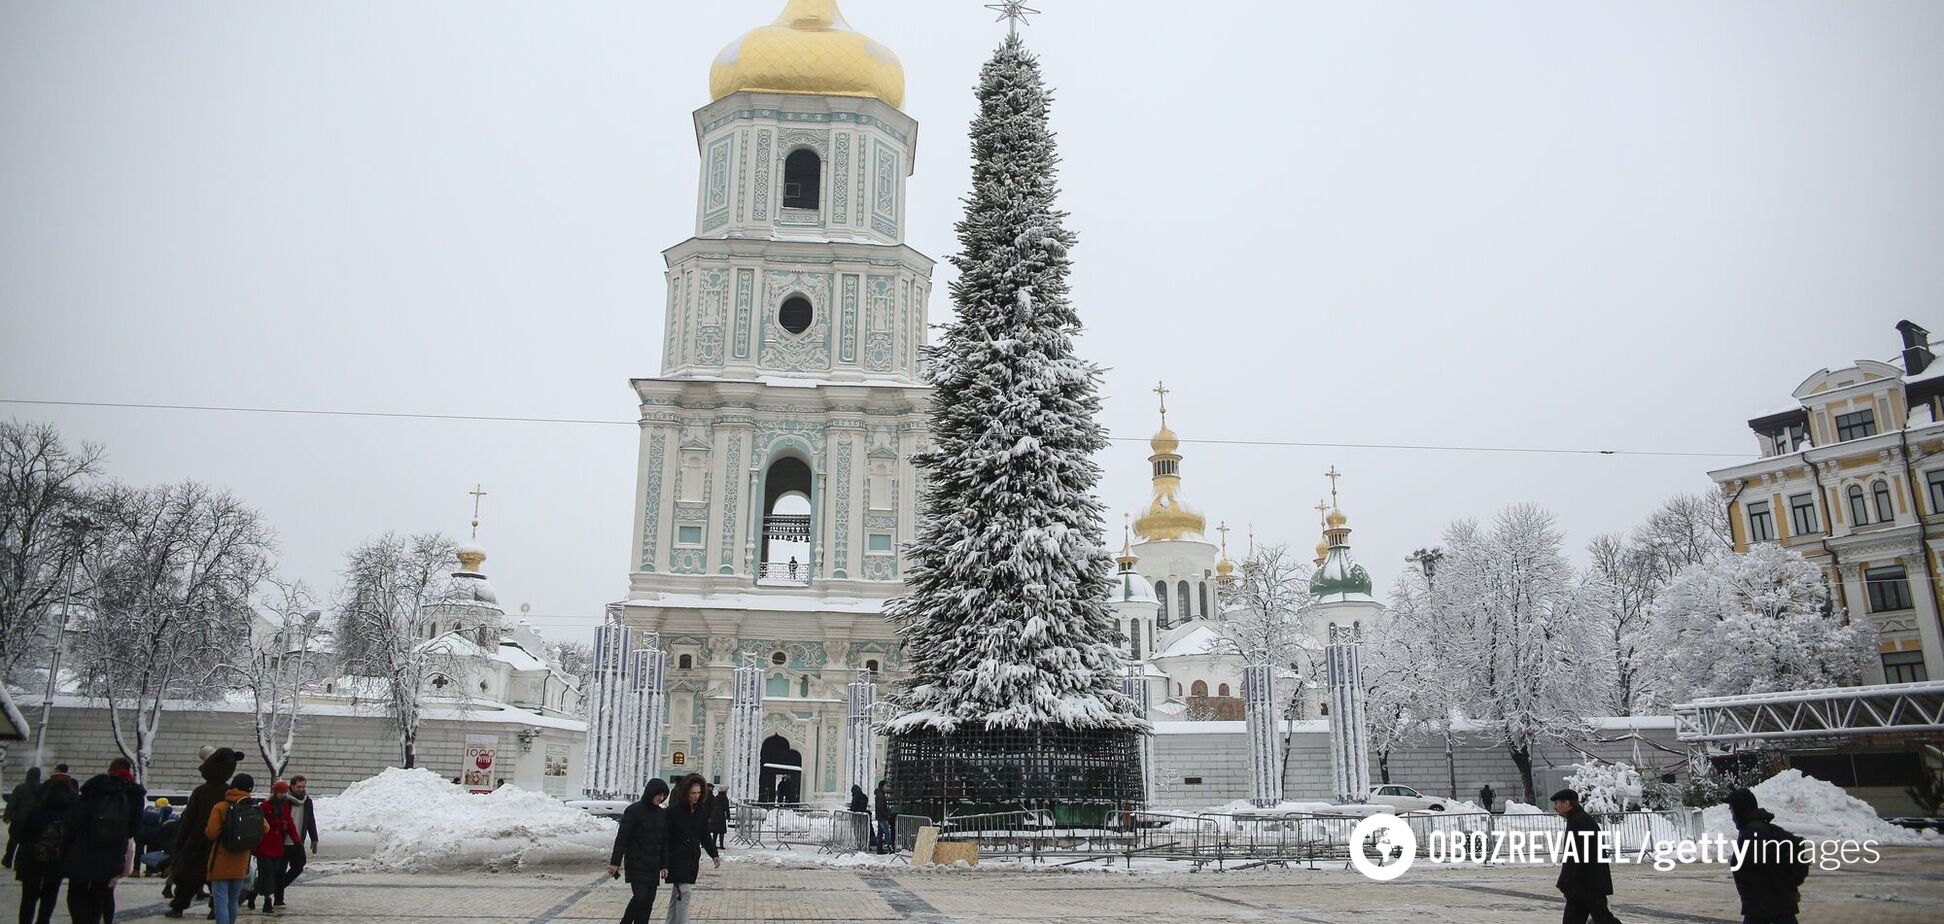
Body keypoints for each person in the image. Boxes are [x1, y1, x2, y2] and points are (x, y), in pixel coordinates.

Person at [62, 756, 147, 924]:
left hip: (84, 846)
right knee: (100, 892)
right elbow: (134, 829)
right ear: (129, 771)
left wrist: (66, 846)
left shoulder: (95, 787)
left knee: (77, 889)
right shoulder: (135, 794)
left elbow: (77, 819)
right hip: (113, 849)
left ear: (110, 770)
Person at [165, 747, 242, 919]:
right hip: (220, 842)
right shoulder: (229, 793)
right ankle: (216, 907)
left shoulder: (201, 791)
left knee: (188, 877)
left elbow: (188, 820)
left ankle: (179, 906)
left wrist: (179, 842)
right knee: (218, 880)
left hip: (196, 840)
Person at [1726, 788, 1809, 924]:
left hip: (1765, 909)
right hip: (1775, 907)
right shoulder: (1765, 828)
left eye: (1732, 810)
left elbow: (1759, 872)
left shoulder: (1752, 834)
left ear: (1741, 809)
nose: (1732, 814)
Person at [13, 768, 77, 924]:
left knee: (28, 897)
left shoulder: (38, 810)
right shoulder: (72, 813)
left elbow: (22, 835)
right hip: (57, 861)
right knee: (50, 895)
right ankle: (43, 921)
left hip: (33, 860)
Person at [1552, 788, 1621, 924]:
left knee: (1603, 919)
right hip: (1585, 885)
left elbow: (1577, 856)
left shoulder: (1579, 822)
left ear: (1567, 803)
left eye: (1557, 803)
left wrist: (1567, 882)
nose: (1555, 807)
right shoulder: (1579, 819)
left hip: (1587, 885)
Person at [606, 778, 670, 924]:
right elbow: (622, 838)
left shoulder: (662, 814)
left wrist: (664, 865)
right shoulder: (633, 811)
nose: (661, 798)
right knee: (640, 896)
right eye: (658, 794)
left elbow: (664, 841)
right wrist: (615, 863)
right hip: (637, 863)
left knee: (648, 901)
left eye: (663, 795)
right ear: (650, 793)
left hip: (653, 865)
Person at [203, 773, 261, 924]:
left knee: (220, 900)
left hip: (221, 861)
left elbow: (211, 833)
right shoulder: (252, 807)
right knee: (233, 900)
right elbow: (265, 828)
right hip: (241, 862)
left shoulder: (221, 807)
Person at [661, 774, 719, 924]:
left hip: (691, 859)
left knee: (678, 895)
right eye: (693, 793)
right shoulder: (673, 812)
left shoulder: (701, 811)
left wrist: (714, 854)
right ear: (686, 792)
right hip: (676, 858)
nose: (696, 796)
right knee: (684, 892)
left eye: (699, 793)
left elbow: (705, 835)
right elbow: (665, 839)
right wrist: (664, 863)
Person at [245, 780, 295, 913]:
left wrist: (296, 840)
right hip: (265, 845)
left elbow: (289, 822)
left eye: (285, 792)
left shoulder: (285, 805)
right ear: (275, 792)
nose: (283, 795)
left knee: (271, 874)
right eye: (281, 792)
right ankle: (268, 902)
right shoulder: (265, 806)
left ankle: (253, 893)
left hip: (277, 845)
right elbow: (263, 824)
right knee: (267, 874)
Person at [277, 776, 318, 905]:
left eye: (303, 787)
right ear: (292, 786)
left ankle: (274, 888)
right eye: (298, 787)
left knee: (299, 865)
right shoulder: (284, 800)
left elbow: (310, 820)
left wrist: (314, 838)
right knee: (279, 870)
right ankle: (278, 899)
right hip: (283, 841)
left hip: (297, 840)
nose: (301, 789)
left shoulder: (307, 801)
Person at [3, 767, 43, 869]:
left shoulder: (20, 788)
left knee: (13, 841)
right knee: (25, 843)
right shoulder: (42, 789)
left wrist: (7, 816)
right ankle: (18, 863)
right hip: (34, 820)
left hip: (18, 819)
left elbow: (12, 803)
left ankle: (8, 860)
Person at [138, 797, 174, 876]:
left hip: (141, 833)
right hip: (154, 834)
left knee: (138, 851)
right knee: (151, 850)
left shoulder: (149, 810)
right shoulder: (166, 812)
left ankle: (135, 870)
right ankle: (149, 870)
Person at [872, 781, 894, 855]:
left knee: (880, 834)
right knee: (887, 833)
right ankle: (890, 848)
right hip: (883, 817)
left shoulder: (880, 795)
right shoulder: (880, 796)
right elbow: (881, 807)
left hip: (880, 817)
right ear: (882, 786)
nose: (886, 788)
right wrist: (886, 814)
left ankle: (879, 848)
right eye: (885, 786)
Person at [705, 786, 728, 854]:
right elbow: (726, 807)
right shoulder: (724, 798)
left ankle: (714, 844)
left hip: (714, 814)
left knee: (715, 831)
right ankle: (721, 845)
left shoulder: (716, 797)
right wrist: (728, 815)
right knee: (721, 831)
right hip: (720, 815)